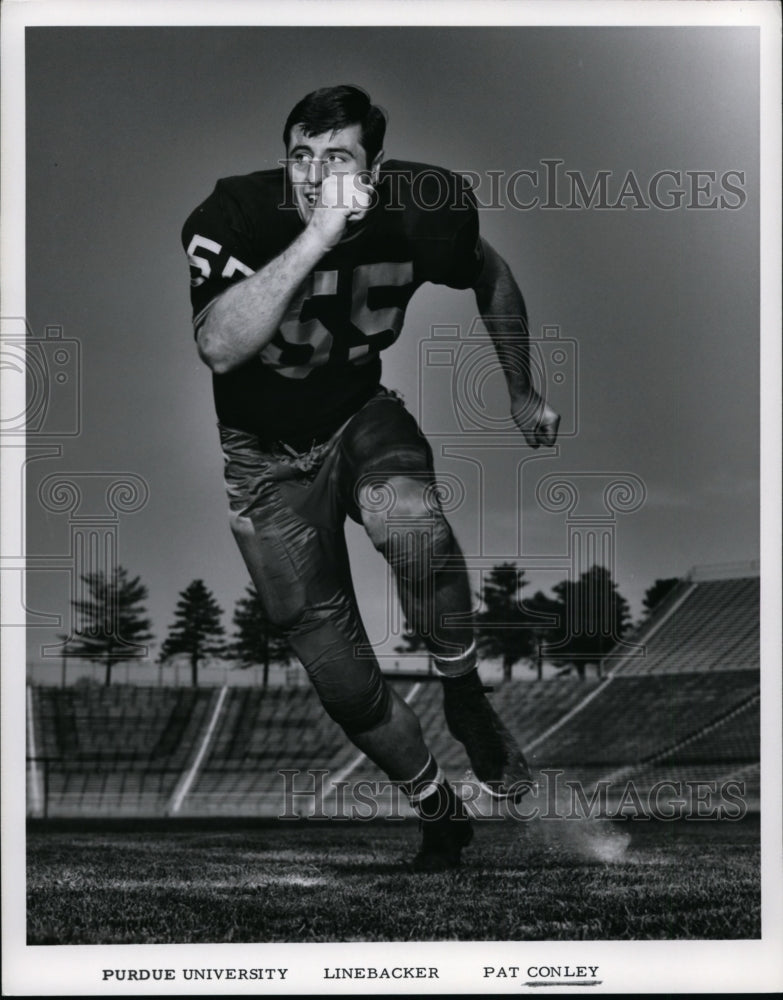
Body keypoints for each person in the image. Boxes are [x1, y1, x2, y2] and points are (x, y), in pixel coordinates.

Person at [181, 85, 560, 871]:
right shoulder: (238, 215)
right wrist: (317, 237)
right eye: (301, 156)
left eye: (337, 157)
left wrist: (519, 388)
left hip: (358, 416)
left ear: (376, 166)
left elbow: (491, 275)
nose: (315, 173)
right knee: (339, 675)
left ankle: (462, 692)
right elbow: (219, 345)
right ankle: (437, 809)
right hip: (261, 458)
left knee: (408, 523)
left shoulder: (423, 207)